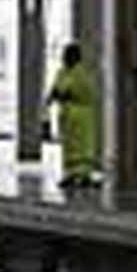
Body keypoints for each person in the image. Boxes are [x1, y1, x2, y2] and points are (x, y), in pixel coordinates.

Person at [46, 42, 100, 189]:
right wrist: (51, 98)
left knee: (82, 147)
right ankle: (70, 174)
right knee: (68, 147)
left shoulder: (81, 73)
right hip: (67, 115)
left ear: (76, 57)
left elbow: (74, 91)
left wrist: (61, 94)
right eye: (64, 55)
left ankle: (83, 175)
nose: (64, 58)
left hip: (81, 117)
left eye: (68, 55)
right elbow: (56, 88)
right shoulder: (62, 71)